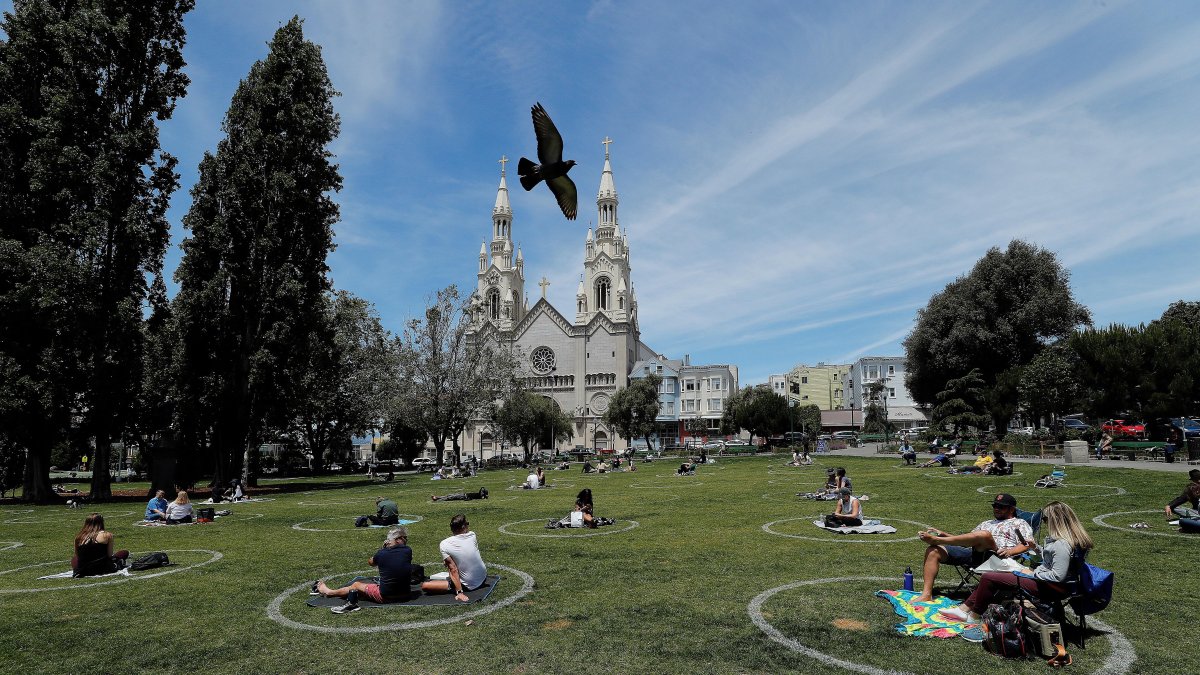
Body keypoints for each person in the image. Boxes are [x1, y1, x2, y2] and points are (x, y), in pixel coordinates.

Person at [939, 501, 1094, 623]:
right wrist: (1038, 550)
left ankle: (973, 616)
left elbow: (1057, 576)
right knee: (997, 571)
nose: (1045, 522)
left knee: (989, 576)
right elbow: (1057, 563)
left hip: (1050, 587)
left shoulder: (1061, 544)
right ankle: (963, 609)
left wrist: (1033, 572)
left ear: (1055, 520)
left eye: (1045, 519)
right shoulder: (1072, 540)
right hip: (1056, 585)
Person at [912, 493, 1036, 603]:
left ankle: (938, 541)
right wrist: (944, 534)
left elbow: (1028, 544)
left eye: (1001, 506)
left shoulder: (1019, 523)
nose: (997, 509)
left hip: (997, 558)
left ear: (1012, 509)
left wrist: (1010, 551)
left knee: (984, 534)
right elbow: (967, 540)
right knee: (933, 550)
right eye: (995, 506)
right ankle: (926, 594)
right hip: (975, 554)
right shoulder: (987, 523)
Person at [314, 526, 414, 614]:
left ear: (394, 540)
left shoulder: (382, 553)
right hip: (406, 594)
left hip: (387, 596)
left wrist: (382, 549)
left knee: (356, 585)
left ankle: (329, 592)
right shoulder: (408, 550)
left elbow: (371, 563)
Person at [420, 514, 487, 603]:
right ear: (464, 527)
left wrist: (459, 592)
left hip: (469, 584)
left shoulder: (445, 544)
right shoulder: (472, 535)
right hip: (483, 577)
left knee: (425, 586)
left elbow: (453, 569)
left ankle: (456, 587)